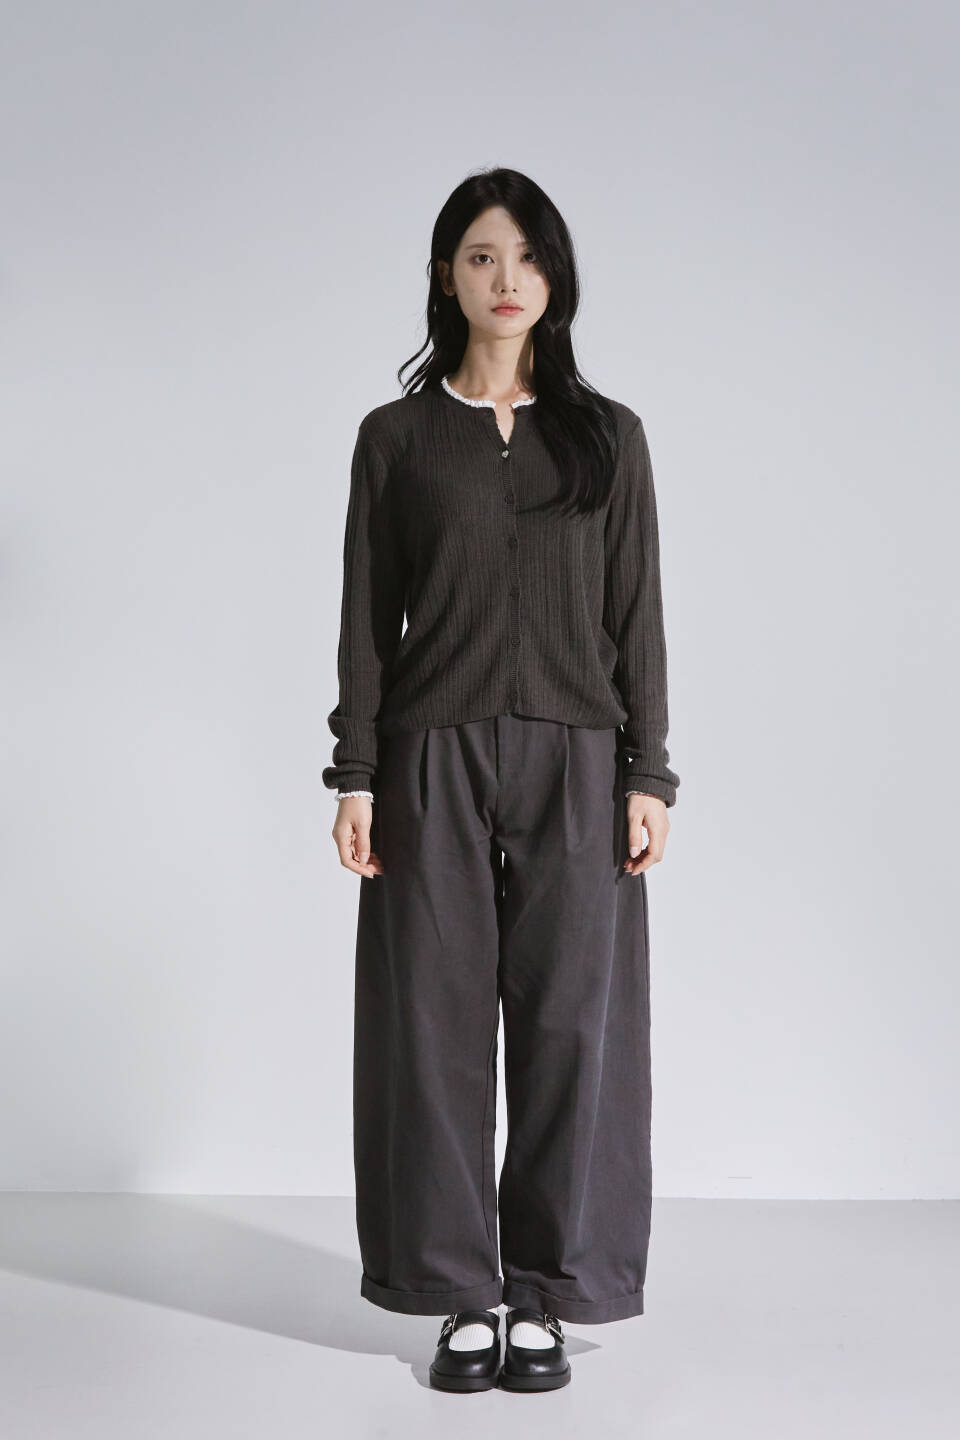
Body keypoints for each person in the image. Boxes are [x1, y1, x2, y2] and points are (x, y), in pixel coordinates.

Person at [322, 166, 680, 1394]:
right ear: (447, 277)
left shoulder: (608, 437)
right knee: (428, 1029)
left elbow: (639, 616)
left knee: (576, 1025)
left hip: (579, 757)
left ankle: (549, 1291)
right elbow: (367, 618)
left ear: (556, 278)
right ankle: (454, 1292)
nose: (507, 278)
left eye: (528, 257)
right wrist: (357, 771)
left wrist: (649, 771)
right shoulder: (396, 439)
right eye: (482, 256)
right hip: (430, 753)